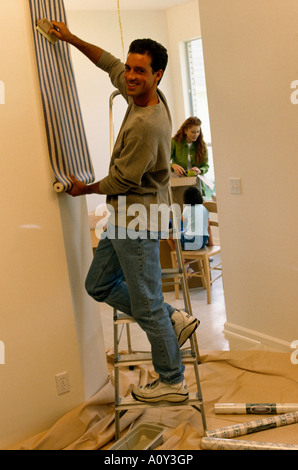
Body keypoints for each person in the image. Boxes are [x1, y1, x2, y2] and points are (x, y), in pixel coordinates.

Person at [50, 22, 199, 403]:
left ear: (157, 75)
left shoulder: (147, 126)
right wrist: (70, 38)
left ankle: (171, 380)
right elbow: (110, 62)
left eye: (139, 71)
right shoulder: (143, 92)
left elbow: (119, 181)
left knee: (145, 303)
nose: (130, 76)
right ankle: (172, 318)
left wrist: (84, 189)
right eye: (130, 69)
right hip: (122, 218)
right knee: (97, 285)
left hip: (137, 219)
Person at [170, 117, 209, 195]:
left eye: (198, 132)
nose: (196, 135)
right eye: (193, 132)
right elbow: (164, 162)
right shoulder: (174, 142)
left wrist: (199, 170)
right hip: (179, 183)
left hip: (196, 183)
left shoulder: (202, 145)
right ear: (185, 131)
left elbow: (206, 166)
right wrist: (173, 165)